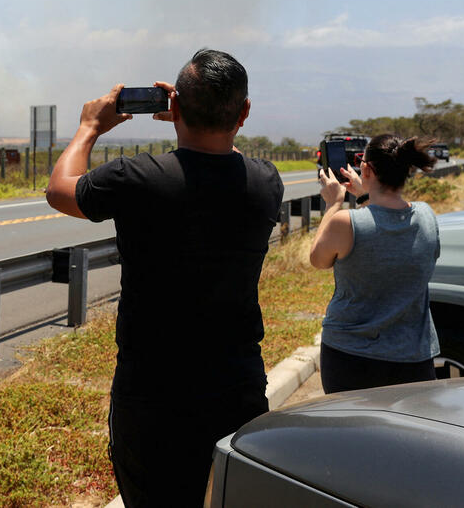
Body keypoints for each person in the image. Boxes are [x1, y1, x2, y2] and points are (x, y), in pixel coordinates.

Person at [45, 49, 284, 507]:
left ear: (173, 107)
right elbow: (216, 168)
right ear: (245, 113)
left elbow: (60, 190)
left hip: (152, 397)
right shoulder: (266, 182)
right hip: (238, 390)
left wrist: (90, 127)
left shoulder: (138, 177)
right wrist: (187, 117)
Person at [309, 134, 440, 394]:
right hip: (414, 358)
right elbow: (387, 220)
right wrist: (364, 194)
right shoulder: (427, 215)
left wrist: (334, 203)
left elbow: (317, 259)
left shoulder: (345, 222)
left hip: (351, 359)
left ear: (366, 169)